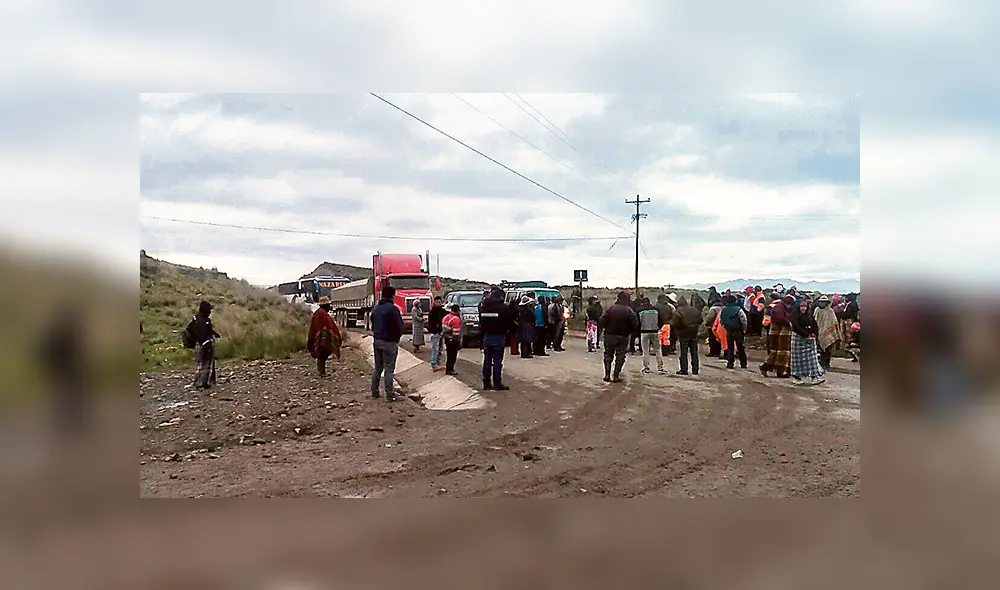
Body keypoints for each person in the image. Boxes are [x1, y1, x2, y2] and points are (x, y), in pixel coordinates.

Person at [370, 286, 404, 401]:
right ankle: (390, 395)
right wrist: (397, 338)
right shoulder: (393, 309)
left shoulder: (376, 308)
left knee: (378, 368)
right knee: (389, 369)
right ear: (392, 295)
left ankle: (374, 392)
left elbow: (372, 323)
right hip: (389, 342)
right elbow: (399, 326)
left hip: (377, 341)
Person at [599, 292, 639, 383]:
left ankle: (607, 375)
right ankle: (616, 375)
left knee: (608, 355)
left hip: (610, 335)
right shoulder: (629, 311)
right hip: (623, 336)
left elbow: (602, 321)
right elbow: (635, 325)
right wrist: (629, 331)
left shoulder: (610, 309)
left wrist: (606, 328)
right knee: (620, 356)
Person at [478, 287, 514, 391]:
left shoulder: (483, 306)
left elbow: (481, 321)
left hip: (487, 336)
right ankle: (497, 383)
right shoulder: (502, 307)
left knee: (487, 361)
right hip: (498, 336)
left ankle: (486, 383)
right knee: (497, 361)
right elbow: (508, 321)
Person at [185, 300, 221, 389]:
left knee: (200, 364)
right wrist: (206, 343)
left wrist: (214, 333)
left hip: (199, 345)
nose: (210, 312)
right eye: (209, 309)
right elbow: (201, 334)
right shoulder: (202, 320)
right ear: (206, 310)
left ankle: (199, 382)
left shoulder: (197, 318)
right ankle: (204, 383)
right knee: (206, 363)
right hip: (204, 344)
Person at [790, 298, 826, 385]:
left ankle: (814, 377)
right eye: (801, 306)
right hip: (798, 340)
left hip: (809, 340)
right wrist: (806, 334)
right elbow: (796, 327)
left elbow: (814, 324)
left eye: (805, 306)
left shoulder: (809, 315)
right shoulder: (794, 316)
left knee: (812, 359)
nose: (803, 308)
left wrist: (814, 333)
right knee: (798, 359)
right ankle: (797, 377)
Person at [307, 296, 343, 377]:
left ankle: (321, 372)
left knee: (321, 355)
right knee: (321, 355)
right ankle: (321, 372)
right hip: (322, 339)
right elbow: (328, 326)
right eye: (328, 305)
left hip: (320, 338)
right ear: (325, 306)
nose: (329, 307)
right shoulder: (322, 314)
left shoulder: (319, 313)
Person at [760, 295, 793, 378]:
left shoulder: (778, 307)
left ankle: (777, 369)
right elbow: (780, 318)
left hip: (775, 333)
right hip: (780, 334)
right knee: (782, 352)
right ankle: (777, 370)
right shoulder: (780, 308)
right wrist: (788, 323)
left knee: (776, 352)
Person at [672, 296, 702, 376]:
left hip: (683, 332)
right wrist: (695, 325)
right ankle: (695, 369)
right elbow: (700, 320)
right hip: (694, 331)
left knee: (684, 352)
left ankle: (684, 369)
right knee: (694, 352)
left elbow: (675, 323)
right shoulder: (694, 309)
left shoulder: (678, 311)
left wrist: (679, 329)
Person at [637, 296, 665, 374]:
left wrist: (638, 330)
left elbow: (637, 322)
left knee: (645, 351)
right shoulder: (656, 310)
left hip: (644, 332)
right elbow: (661, 320)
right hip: (655, 331)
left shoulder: (639, 310)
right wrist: (658, 327)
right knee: (658, 350)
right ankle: (660, 368)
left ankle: (646, 368)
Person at [720, 294, 748, 370]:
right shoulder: (738, 309)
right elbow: (743, 320)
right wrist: (744, 329)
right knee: (740, 347)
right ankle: (743, 363)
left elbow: (721, 320)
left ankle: (730, 363)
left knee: (730, 347)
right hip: (738, 330)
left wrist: (726, 327)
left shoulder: (724, 310)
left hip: (729, 330)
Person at [814, 295, 841, 371]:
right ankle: (820, 363)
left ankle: (826, 363)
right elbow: (815, 320)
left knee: (827, 349)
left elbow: (833, 321)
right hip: (819, 331)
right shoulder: (817, 310)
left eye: (824, 302)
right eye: (821, 302)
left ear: (826, 303)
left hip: (828, 332)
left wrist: (829, 330)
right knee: (819, 349)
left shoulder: (830, 311)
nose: (822, 304)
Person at [427, 296, 447, 373]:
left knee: (440, 348)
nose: (438, 303)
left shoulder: (443, 311)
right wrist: (435, 329)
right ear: (434, 302)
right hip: (435, 333)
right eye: (437, 302)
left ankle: (438, 363)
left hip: (441, 332)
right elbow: (430, 323)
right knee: (435, 348)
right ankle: (434, 364)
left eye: (440, 302)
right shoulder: (432, 312)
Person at [441, 303, 463, 375]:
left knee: (449, 354)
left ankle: (448, 368)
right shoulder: (455, 319)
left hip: (447, 338)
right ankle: (450, 369)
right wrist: (458, 342)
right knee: (453, 355)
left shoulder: (446, 317)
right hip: (453, 340)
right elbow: (456, 333)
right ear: (457, 311)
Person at [517, 295, 537, 359]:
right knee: (527, 340)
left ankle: (523, 353)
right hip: (528, 325)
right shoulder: (529, 309)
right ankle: (526, 353)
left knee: (523, 340)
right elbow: (533, 317)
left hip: (521, 325)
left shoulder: (519, 309)